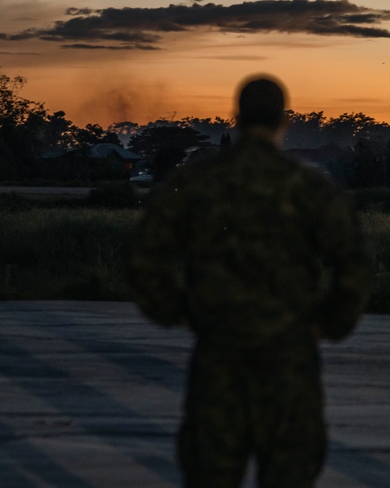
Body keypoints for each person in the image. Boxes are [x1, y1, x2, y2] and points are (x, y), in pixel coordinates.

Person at [127, 76, 372, 488]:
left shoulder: (199, 182)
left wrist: (178, 311)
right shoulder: (307, 186)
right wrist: (328, 323)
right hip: (289, 360)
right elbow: (355, 263)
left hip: (219, 357)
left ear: (236, 120)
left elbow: (145, 254)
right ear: (284, 122)